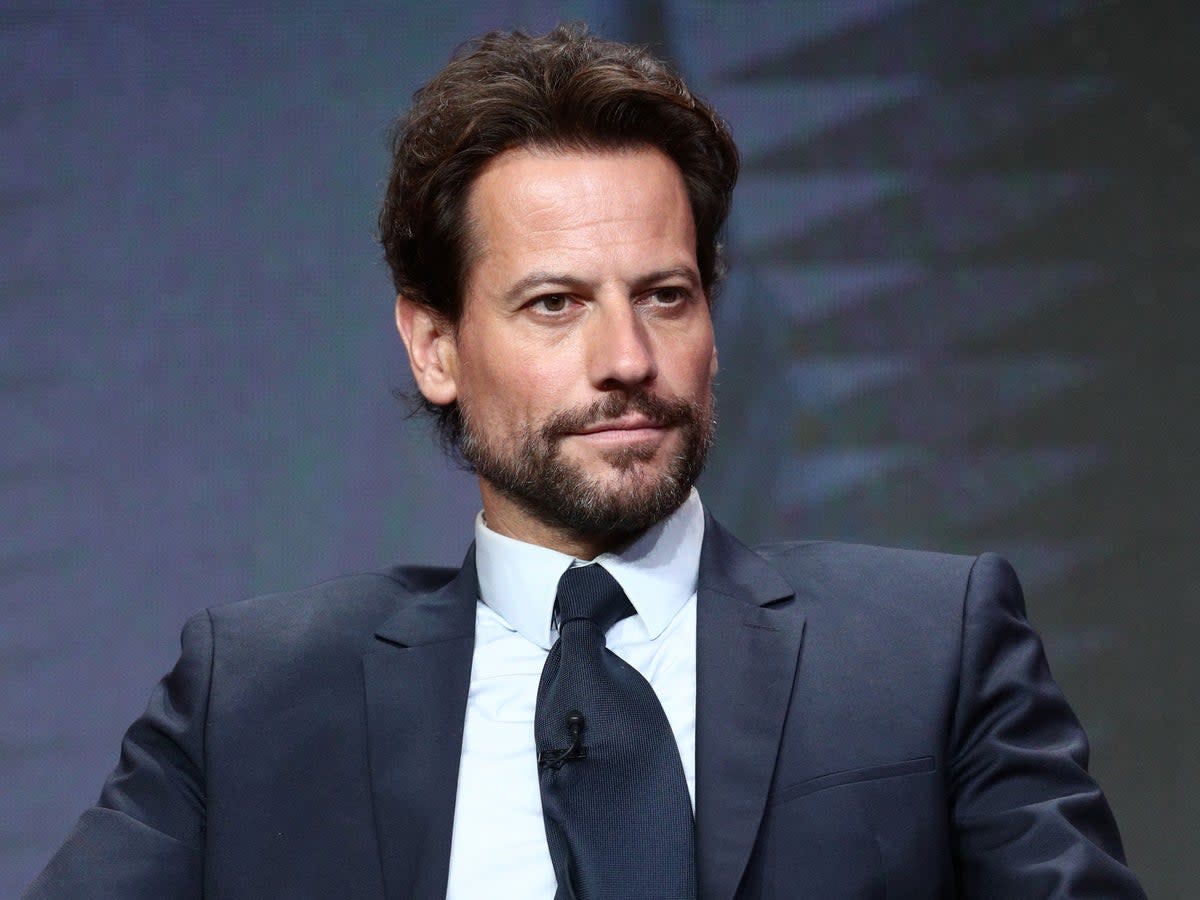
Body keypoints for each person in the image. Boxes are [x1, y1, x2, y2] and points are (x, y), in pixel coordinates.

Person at [26, 24, 1144, 899]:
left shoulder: (930, 650)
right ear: (435, 345)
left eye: (666, 295)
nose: (627, 359)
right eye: (554, 304)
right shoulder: (257, 696)